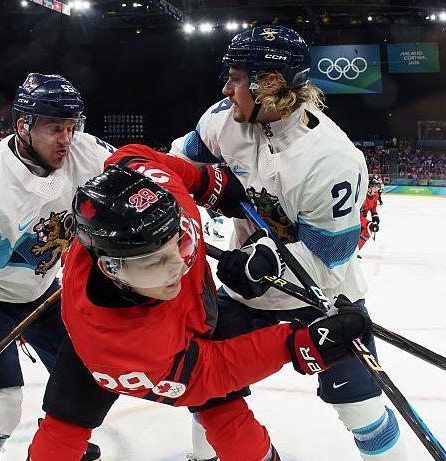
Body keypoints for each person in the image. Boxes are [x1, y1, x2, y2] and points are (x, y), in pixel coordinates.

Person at [28, 145, 370, 461]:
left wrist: (207, 182)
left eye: (180, 241)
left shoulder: (159, 192)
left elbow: (130, 155)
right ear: (110, 268)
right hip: (118, 354)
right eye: (154, 262)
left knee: (224, 414)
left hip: (189, 317)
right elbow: (213, 372)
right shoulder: (123, 343)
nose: (178, 264)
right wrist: (297, 345)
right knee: (220, 411)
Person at [171, 25, 406, 461]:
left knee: (359, 407)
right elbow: (184, 163)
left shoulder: (331, 157)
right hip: (247, 297)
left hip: (324, 299)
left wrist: (265, 259)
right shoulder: (224, 118)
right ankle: (203, 456)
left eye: (237, 78)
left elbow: (332, 253)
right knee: (203, 381)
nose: (226, 87)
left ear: (271, 82)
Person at [0, 73, 115, 461]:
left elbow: (133, 175)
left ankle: (60, 438)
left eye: (72, 127)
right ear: (23, 126)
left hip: (45, 292)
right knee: (2, 407)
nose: (67, 139)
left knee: (87, 375)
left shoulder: (84, 149)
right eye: (55, 129)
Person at [358, 178, 381, 257]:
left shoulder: (376, 195)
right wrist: (369, 224)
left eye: (377, 186)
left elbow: (373, 207)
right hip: (354, 218)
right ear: (368, 188)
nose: (376, 188)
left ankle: (355, 251)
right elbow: (356, 216)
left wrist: (375, 215)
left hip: (362, 218)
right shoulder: (361, 197)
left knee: (366, 233)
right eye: (374, 187)